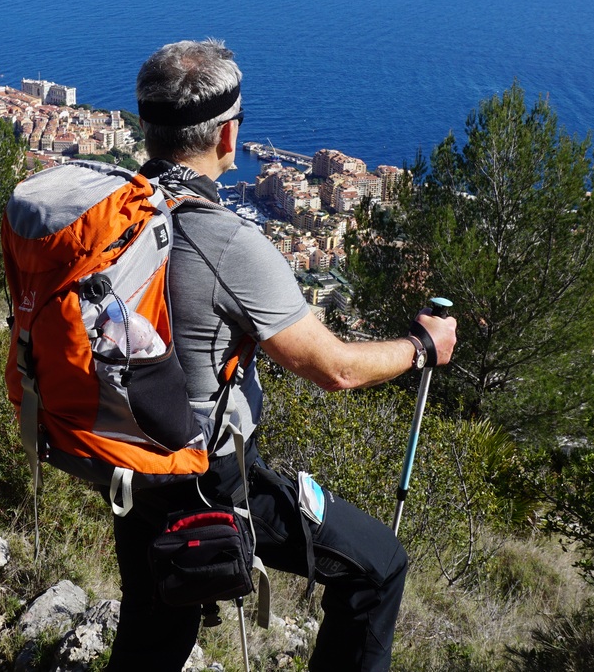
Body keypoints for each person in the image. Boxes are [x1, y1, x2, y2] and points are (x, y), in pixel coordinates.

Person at [106, 39, 458, 672]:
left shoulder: (110, 215)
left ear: (147, 127)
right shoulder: (227, 242)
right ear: (228, 135)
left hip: (127, 462)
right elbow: (335, 368)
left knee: (156, 629)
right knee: (378, 568)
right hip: (208, 479)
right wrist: (422, 347)